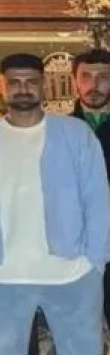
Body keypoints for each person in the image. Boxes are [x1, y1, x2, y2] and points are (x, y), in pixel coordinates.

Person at [0, 53, 109, 355]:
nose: (23, 89)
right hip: (3, 274)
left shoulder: (76, 134)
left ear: (43, 85)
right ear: (0, 85)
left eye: (31, 81)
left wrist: (94, 262)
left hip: (73, 273)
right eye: (14, 82)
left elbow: (98, 200)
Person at [70, 48, 110, 322]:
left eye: (103, 77)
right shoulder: (60, 128)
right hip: (76, 245)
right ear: (75, 81)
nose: (93, 85)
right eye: (86, 76)